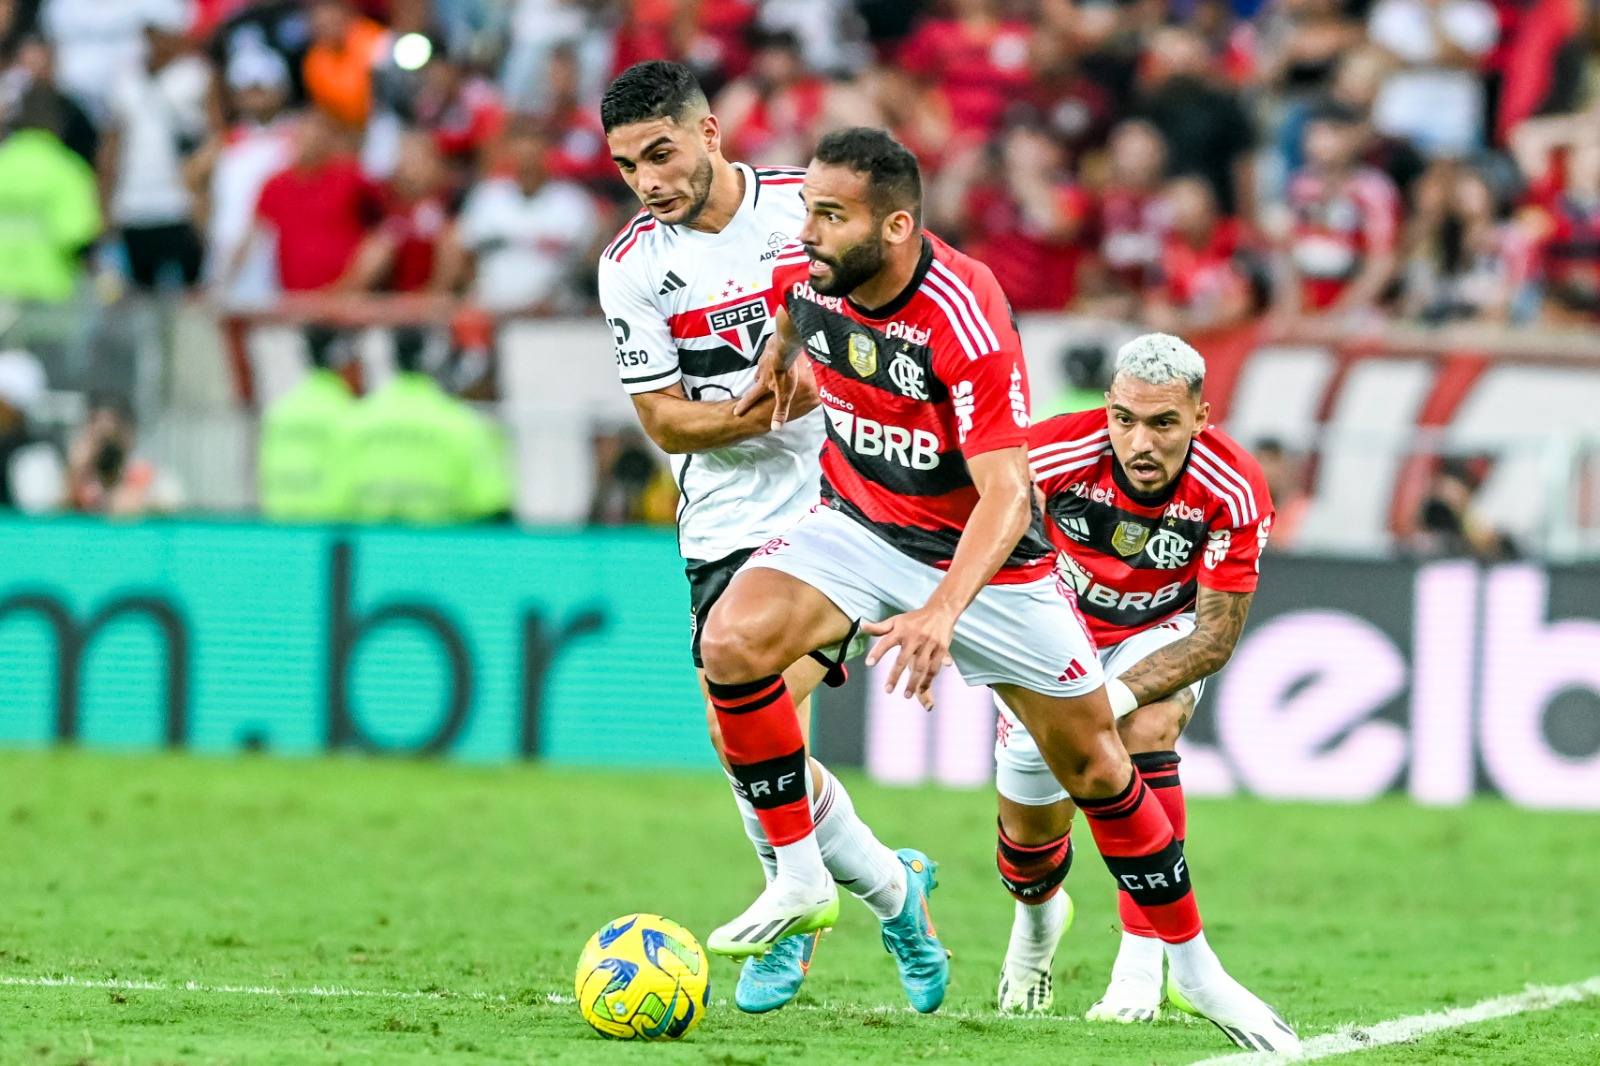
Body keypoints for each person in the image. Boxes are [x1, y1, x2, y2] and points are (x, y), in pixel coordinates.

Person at [719, 129, 1298, 1052]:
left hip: (993, 571)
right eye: (809, 211)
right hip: (860, 526)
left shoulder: (967, 310)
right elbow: (792, 307)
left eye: (831, 214)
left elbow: (1004, 492)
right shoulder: (805, 264)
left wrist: (943, 612)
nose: (809, 230)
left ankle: (1187, 968)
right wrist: (777, 361)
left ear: (896, 224)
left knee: (1106, 766)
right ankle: (801, 873)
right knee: (731, 647)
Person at [596, 60, 916, 1017]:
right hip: (723, 517)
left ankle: (796, 913)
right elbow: (663, 422)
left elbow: (899, 317)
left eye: (660, 153)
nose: (648, 181)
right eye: (626, 167)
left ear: (709, 134)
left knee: (757, 693)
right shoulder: (630, 268)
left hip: (842, 501)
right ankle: (893, 889)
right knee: (740, 730)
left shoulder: (806, 213)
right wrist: (754, 409)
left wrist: (844, 382)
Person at [992, 333, 1278, 1026]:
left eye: (1163, 423)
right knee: (1030, 835)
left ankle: (1142, 966)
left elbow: (1214, 637)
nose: (1140, 442)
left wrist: (1107, 701)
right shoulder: (1050, 452)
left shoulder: (1234, 486)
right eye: (1125, 419)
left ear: (1201, 417)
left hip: (1162, 632)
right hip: (1058, 629)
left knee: (1140, 731)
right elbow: (977, 525)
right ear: (1107, 409)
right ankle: (1036, 923)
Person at [343, 340, 511, 524]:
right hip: (443, 544)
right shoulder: (462, 423)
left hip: (367, 544)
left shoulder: (355, 421)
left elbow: (332, 501)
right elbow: (491, 502)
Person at [257, 346, 356, 522]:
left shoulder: (280, 411)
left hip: (281, 524)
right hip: (332, 530)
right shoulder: (348, 413)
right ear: (344, 364)